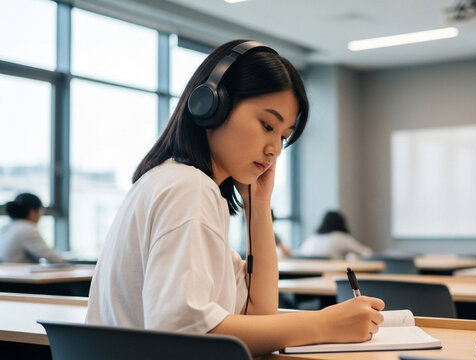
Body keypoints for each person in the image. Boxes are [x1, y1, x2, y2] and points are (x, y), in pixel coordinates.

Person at [85, 40, 384, 355]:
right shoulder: (188, 188)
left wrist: (259, 204)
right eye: (267, 125)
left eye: (283, 136)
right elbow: (181, 331)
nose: (275, 149)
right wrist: (322, 325)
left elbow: (259, 312)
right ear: (212, 105)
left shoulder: (172, 181)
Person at [0, 193, 66, 264]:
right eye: (41, 210)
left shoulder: (7, 227)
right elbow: (53, 258)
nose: (41, 214)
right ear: (32, 212)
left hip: (7, 273)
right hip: (19, 273)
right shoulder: (27, 229)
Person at [298, 210, 373, 260]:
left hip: (309, 278)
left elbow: (300, 255)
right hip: (332, 276)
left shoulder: (312, 239)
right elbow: (367, 252)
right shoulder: (341, 237)